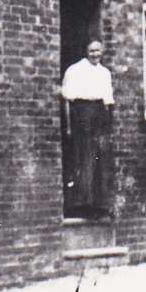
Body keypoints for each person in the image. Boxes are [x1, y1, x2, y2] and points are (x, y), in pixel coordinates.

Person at [61, 40, 114, 218]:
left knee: (100, 159)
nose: (95, 54)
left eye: (97, 51)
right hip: (82, 116)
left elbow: (108, 104)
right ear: (86, 51)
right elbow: (68, 101)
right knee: (83, 158)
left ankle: (99, 205)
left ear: (102, 52)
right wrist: (69, 126)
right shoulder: (75, 70)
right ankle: (81, 205)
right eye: (91, 51)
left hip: (99, 116)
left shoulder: (105, 73)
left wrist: (107, 125)